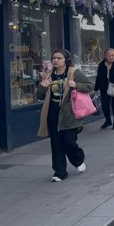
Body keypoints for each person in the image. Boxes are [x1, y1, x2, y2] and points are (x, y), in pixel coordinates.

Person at [37, 49, 93, 182]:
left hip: (70, 112)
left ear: (65, 60)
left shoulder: (73, 73)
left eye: (59, 58)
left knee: (68, 141)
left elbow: (90, 86)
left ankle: (78, 159)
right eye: (54, 58)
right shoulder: (49, 75)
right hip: (53, 112)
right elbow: (39, 96)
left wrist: (76, 85)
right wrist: (43, 86)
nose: (55, 60)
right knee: (56, 143)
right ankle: (59, 172)